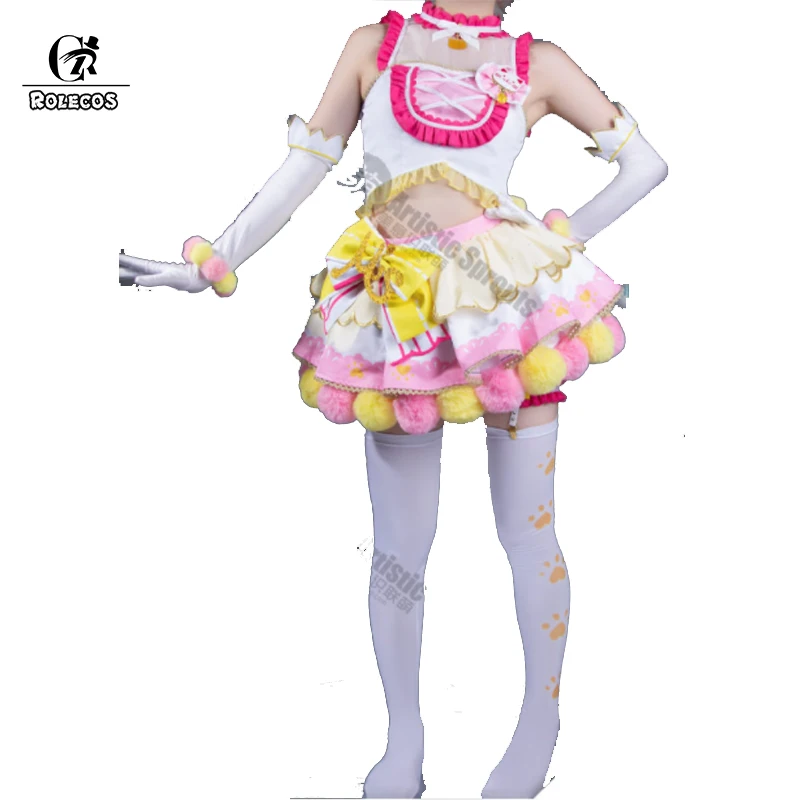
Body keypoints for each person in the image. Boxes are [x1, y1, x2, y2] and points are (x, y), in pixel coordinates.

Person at [119, 2, 668, 796]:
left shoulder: (539, 62)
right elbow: (306, 165)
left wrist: (560, 241)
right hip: (394, 312)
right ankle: (403, 737)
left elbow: (645, 165)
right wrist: (214, 264)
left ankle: (539, 723)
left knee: (528, 531)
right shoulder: (372, 45)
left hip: (506, 310)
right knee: (399, 547)